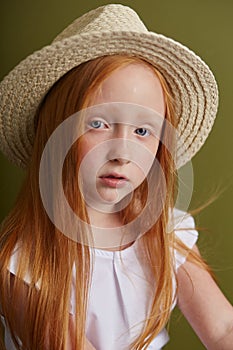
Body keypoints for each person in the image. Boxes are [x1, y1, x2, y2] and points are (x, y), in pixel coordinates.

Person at [0, 4, 232, 350]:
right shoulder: (25, 265)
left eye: (142, 130)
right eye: (98, 124)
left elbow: (222, 328)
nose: (122, 153)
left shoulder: (166, 233)